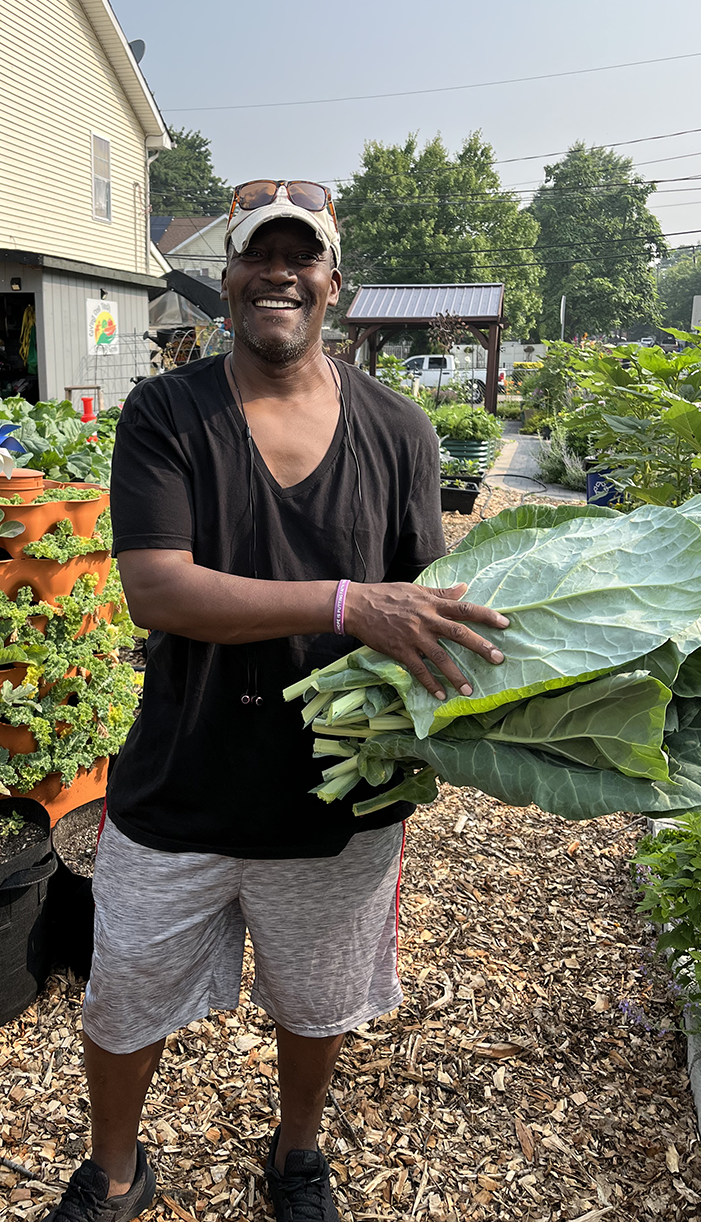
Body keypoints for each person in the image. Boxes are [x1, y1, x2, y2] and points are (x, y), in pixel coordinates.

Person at [41, 180, 508, 1222]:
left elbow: (420, 609)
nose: (279, 276)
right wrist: (347, 602)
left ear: (333, 285)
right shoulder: (169, 411)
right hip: (183, 777)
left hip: (333, 794)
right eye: (260, 257)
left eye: (304, 259)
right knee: (122, 994)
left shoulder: (397, 430)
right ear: (228, 281)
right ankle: (114, 1168)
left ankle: (297, 1154)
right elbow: (158, 588)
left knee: (317, 1000)